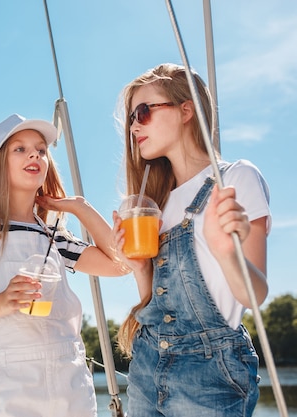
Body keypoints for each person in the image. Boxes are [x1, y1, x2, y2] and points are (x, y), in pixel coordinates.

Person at [0, 113, 128, 417]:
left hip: (68, 382)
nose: (34, 153)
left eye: (42, 150)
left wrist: (79, 207)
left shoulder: (54, 237)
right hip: (7, 388)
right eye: (19, 148)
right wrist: (2, 301)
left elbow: (119, 263)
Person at [112, 63, 271, 417]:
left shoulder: (234, 178)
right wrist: (140, 269)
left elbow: (254, 295)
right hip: (147, 363)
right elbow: (157, 309)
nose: (135, 125)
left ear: (186, 110)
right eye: (131, 119)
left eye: (143, 112)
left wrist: (226, 252)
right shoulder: (157, 204)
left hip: (211, 371)